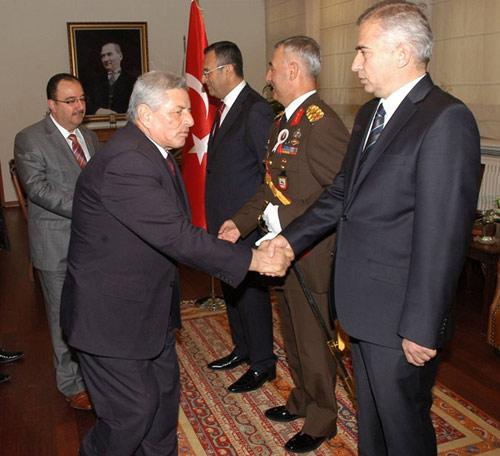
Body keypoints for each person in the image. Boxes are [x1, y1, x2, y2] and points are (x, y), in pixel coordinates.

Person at [265, 2, 481, 455]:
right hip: (362, 305)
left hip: (402, 316)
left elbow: (443, 236)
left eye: (363, 51)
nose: (354, 65)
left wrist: (422, 325)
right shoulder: (369, 115)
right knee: (374, 425)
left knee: (403, 430)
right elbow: (341, 195)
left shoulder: (445, 118)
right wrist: (288, 240)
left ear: (402, 53)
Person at [60, 70, 292, 456]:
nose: (190, 120)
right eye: (179, 111)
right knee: (131, 414)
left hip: (146, 312)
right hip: (110, 320)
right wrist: (254, 259)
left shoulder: (152, 152)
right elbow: (178, 237)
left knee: (163, 405)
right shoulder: (127, 162)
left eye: (188, 111)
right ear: (146, 115)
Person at [219, 36, 349, 453]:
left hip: (311, 252)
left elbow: (340, 195)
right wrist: (239, 223)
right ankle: (302, 399)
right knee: (292, 332)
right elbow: (269, 187)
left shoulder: (321, 123)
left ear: (293, 70)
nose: (268, 76)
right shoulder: (284, 121)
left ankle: (322, 419)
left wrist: (288, 226)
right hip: (283, 249)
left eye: (273, 67)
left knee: (313, 340)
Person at [14, 73, 99, 410]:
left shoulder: (89, 137)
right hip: (56, 244)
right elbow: (38, 190)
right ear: (52, 105)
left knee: (91, 311)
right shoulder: (30, 139)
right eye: (70, 101)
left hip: (93, 243)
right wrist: (90, 207)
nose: (79, 106)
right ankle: (71, 384)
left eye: (82, 99)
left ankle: (95, 373)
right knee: (62, 316)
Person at [202, 41, 276, 393]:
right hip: (224, 222)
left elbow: (269, 172)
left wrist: (254, 220)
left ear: (227, 69)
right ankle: (243, 349)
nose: (204, 79)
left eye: (207, 72)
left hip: (246, 224)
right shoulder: (225, 109)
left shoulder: (255, 109)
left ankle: (263, 363)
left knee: (250, 294)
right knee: (232, 288)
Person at [86, 42, 136, 115]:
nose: (105, 59)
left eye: (109, 54)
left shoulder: (133, 81)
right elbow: (87, 104)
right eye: (103, 56)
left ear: (120, 56)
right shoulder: (94, 82)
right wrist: (97, 111)